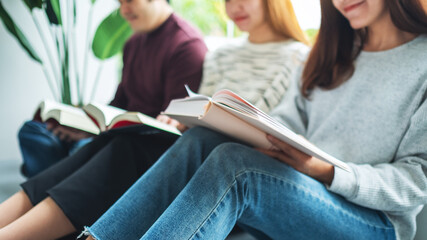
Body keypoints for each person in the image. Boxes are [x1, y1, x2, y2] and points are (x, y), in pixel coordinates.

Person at [83, 0, 427, 239]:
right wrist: (246, 128)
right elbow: (287, 120)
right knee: (202, 140)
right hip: (303, 192)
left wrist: (329, 171)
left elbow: (418, 178)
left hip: (373, 224)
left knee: (235, 167)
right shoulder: (330, 52)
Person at [0, 0, 310, 239]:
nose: (234, 7)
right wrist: (181, 119)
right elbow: (198, 106)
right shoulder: (221, 54)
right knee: (93, 139)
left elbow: (273, 122)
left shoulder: (296, 57)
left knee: (127, 145)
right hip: (185, 145)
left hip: (219, 159)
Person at [17, 0, 207, 178]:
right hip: (115, 136)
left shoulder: (187, 47)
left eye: (130, 1)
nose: (123, 11)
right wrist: (83, 127)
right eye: (120, 2)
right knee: (33, 132)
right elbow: (118, 104)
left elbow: (171, 127)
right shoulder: (133, 43)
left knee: (81, 151)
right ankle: (55, 191)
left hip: (137, 145)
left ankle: (50, 192)